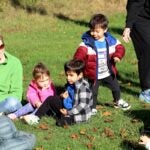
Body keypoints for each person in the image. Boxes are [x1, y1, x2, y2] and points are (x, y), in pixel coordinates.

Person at [74, 13, 131, 114]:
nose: (94, 33)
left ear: (105, 30)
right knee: (93, 92)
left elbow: (120, 48)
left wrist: (117, 56)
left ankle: (117, 101)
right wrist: (77, 66)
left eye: (97, 31)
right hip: (93, 74)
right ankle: (92, 107)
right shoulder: (86, 43)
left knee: (116, 88)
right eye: (92, 30)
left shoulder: (111, 41)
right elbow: (79, 55)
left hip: (107, 72)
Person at [23, 59, 93, 127]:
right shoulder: (71, 84)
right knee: (50, 99)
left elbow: (82, 106)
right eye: (67, 75)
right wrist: (62, 96)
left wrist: (68, 112)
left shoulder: (84, 88)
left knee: (60, 122)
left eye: (71, 75)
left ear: (80, 75)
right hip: (67, 107)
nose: (68, 78)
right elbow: (66, 96)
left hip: (78, 114)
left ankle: (58, 115)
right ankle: (35, 117)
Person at [122, 0, 150, 103]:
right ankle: (147, 91)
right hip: (140, 17)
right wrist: (128, 26)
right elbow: (135, 4)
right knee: (147, 51)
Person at [0, 35, 23, 114]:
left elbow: (17, 94)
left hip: (5, 102)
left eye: (1, 46)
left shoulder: (14, 63)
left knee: (13, 102)